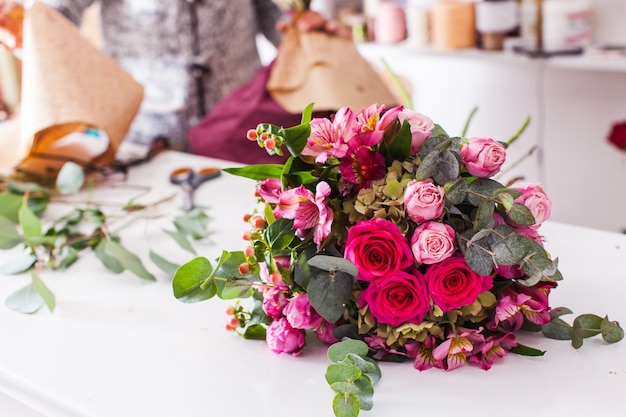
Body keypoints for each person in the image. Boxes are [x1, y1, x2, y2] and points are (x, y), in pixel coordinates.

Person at [0, 0, 341, 151]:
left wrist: (303, 38)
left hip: (241, 124)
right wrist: (27, 27)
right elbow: (57, 15)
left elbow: (267, 10)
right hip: (148, 134)